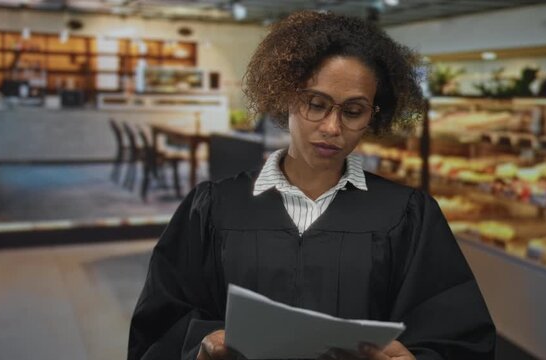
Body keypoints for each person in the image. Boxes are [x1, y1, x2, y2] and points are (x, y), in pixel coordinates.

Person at [128, 10, 495, 360]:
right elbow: (161, 323)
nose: (332, 127)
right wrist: (202, 345)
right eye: (316, 104)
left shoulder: (409, 215)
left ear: (373, 115)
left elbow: (457, 336)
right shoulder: (213, 208)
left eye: (353, 111)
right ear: (286, 96)